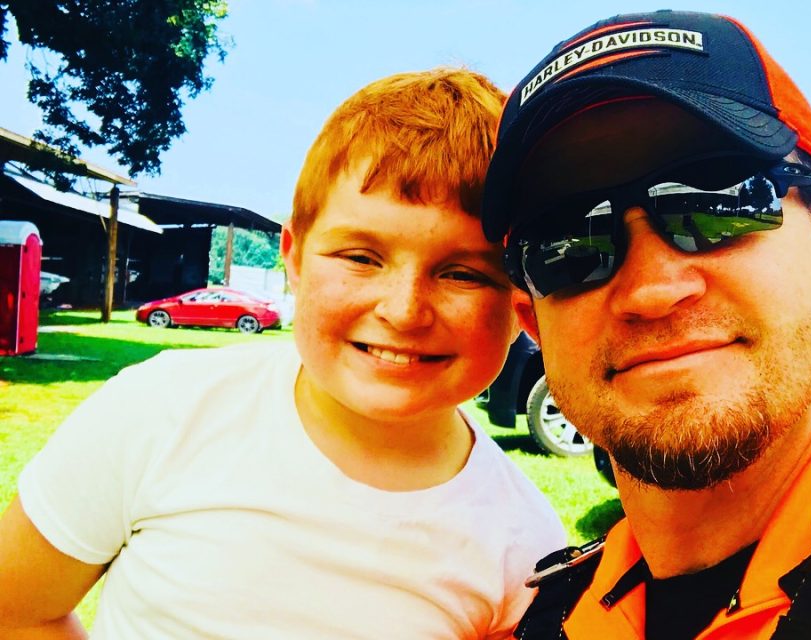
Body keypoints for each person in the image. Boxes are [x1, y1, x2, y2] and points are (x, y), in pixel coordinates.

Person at [0, 67, 565, 639]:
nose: (404, 310)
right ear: (293, 257)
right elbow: (16, 607)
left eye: (462, 273)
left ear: (520, 297)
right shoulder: (159, 410)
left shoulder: (526, 552)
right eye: (360, 258)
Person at [480, 10, 811, 639]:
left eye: (718, 203)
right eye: (569, 241)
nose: (652, 289)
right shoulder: (547, 608)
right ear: (532, 322)